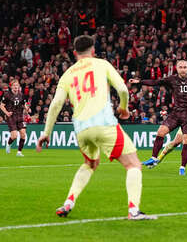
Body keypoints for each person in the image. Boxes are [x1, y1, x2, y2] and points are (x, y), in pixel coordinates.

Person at [36, 35, 155, 220]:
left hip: (81, 128)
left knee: (90, 163)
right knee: (133, 164)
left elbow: (56, 104)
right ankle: (133, 210)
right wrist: (123, 108)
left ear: (75, 53)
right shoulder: (102, 64)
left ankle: (69, 201)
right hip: (104, 123)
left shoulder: (67, 74)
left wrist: (46, 133)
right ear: (93, 51)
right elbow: (123, 89)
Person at [129, 60, 187, 175]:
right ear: (176, 68)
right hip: (176, 113)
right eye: (180, 67)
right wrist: (140, 81)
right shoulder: (172, 79)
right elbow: (156, 82)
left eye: (184, 67)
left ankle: (182, 168)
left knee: (186, 140)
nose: (182, 69)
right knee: (161, 131)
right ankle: (153, 157)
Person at [0, 80, 30, 157]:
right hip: (11, 116)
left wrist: (27, 108)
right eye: (14, 85)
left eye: (17, 85)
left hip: (20, 116)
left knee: (23, 134)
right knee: (14, 136)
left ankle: (19, 152)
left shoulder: (21, 95)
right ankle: (8, 144)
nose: (16, 87)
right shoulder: (7, 95)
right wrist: (7, 113)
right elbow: (1, 106)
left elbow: (24, 104)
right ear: (11, 87)